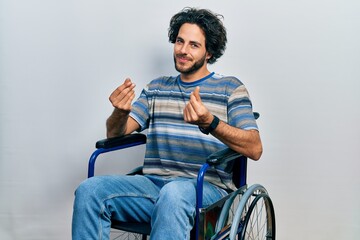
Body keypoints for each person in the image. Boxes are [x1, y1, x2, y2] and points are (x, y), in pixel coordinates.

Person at [72, 7, 262, 240]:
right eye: (180, 41)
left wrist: (210, 122)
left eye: (193, 45)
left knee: (174, 194)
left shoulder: (230, 88)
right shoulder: (156, 87)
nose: (182, 50)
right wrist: (120, 113)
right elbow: (115, 135)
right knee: (89, 190)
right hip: (152, 187)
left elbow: (254, 148)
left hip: (206, 192)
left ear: (209, 52)